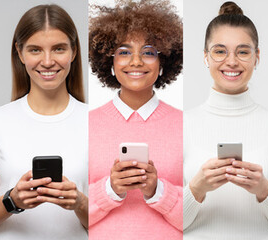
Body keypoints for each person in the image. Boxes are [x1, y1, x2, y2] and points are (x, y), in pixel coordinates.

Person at [86, 0, 184, 239]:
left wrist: (156, 191)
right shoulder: (86, 124)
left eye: (149, 52)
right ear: (110, 62)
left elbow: (200, 216)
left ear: (163, 62)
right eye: (124, 52)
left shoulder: (186, 124)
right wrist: (110, 189)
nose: (136, 61)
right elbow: (69, 213)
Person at [182, 2, 268, 239]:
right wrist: (196, 189)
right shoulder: (181, 125)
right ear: (206, 57)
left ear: (257, 57)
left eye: (243, 51)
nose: (232, 61)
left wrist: (264, 190)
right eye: (220, 51)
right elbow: (168, 224)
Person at [0, 4, 88, 239]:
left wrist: (80, 202)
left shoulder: (97, 122)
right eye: (35, 50)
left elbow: (116, 226)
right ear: (20, 52)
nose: (47, 61)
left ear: (73, 52)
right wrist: (11, 201)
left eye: (58, 49)